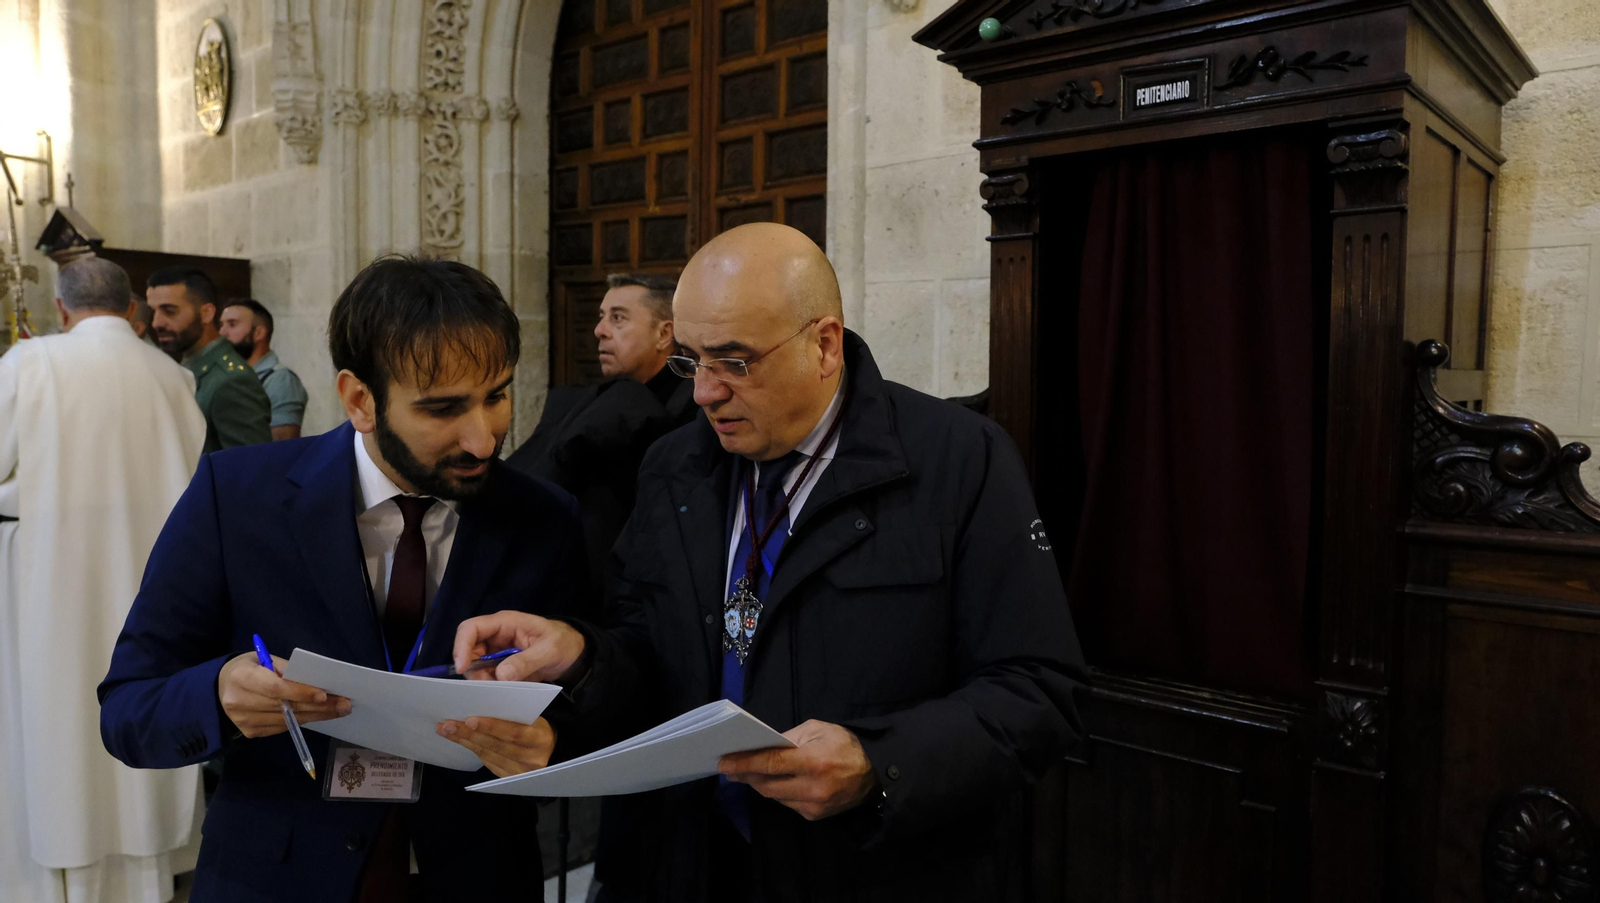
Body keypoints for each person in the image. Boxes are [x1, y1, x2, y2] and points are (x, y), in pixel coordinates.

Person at [453, 224, 1088, 902]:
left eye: (735, 361)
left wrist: (881, 761)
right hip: (685, 862)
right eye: (691, 360)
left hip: (867, 868)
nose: (703, 393)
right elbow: (646, 650)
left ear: (824, 344)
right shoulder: (675, 466)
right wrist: (580, 654)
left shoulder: (960, 462)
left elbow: (1038, 691)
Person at [98, 256, 592, 902]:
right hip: (276, 876)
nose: (483, 438)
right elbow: (129, 708)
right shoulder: (239, 496)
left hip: (476, 873)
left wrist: (553, 738)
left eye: (496, 395)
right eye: (443, 408)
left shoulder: (543, 517)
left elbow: (591, 697)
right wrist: (219, 693)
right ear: (360, 399)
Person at [0, 257, 207, 903]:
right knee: (139, 712)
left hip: (50, 590)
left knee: (57, 725)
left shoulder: (28, 365)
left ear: (60, 309)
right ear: (130, 309)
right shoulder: (172, 377)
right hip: (154, 591)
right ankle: (150, 872)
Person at [507, 272, 695, 587]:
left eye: (618, 319)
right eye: (601, 317)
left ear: (665, 334)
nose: (599, 330)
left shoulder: (694, 408)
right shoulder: (593, 403)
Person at [146, 267, 271, 453]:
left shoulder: (232, 380)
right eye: (154, 311)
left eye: (169, 311)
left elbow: (253, 469)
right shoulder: (189, 366)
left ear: (207, 313)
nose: (157, 322)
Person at [219, 298, 310, 441]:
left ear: (259, 333)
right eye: (221, 325)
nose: (222, 332)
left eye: (232, 324)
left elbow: (282, 446)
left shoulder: (280, 379)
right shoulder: (226, 374)